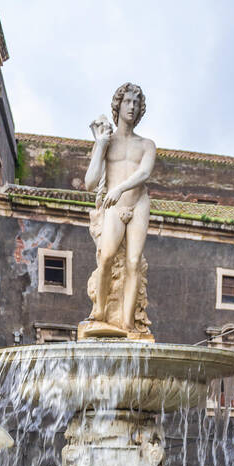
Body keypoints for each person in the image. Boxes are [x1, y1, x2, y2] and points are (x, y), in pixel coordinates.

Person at [83, 83, 156, 335]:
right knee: (105, 256)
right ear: (118, 105)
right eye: (127, 102)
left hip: (137, 204)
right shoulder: (107, 141)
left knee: (133, 262)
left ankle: (127, 323)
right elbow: (90, 182)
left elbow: (145, 172)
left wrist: (120, 188)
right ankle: (100, 312)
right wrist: (100, 146)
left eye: (136, 103)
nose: (132, 107)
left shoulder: (147, 145)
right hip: (114, 207)